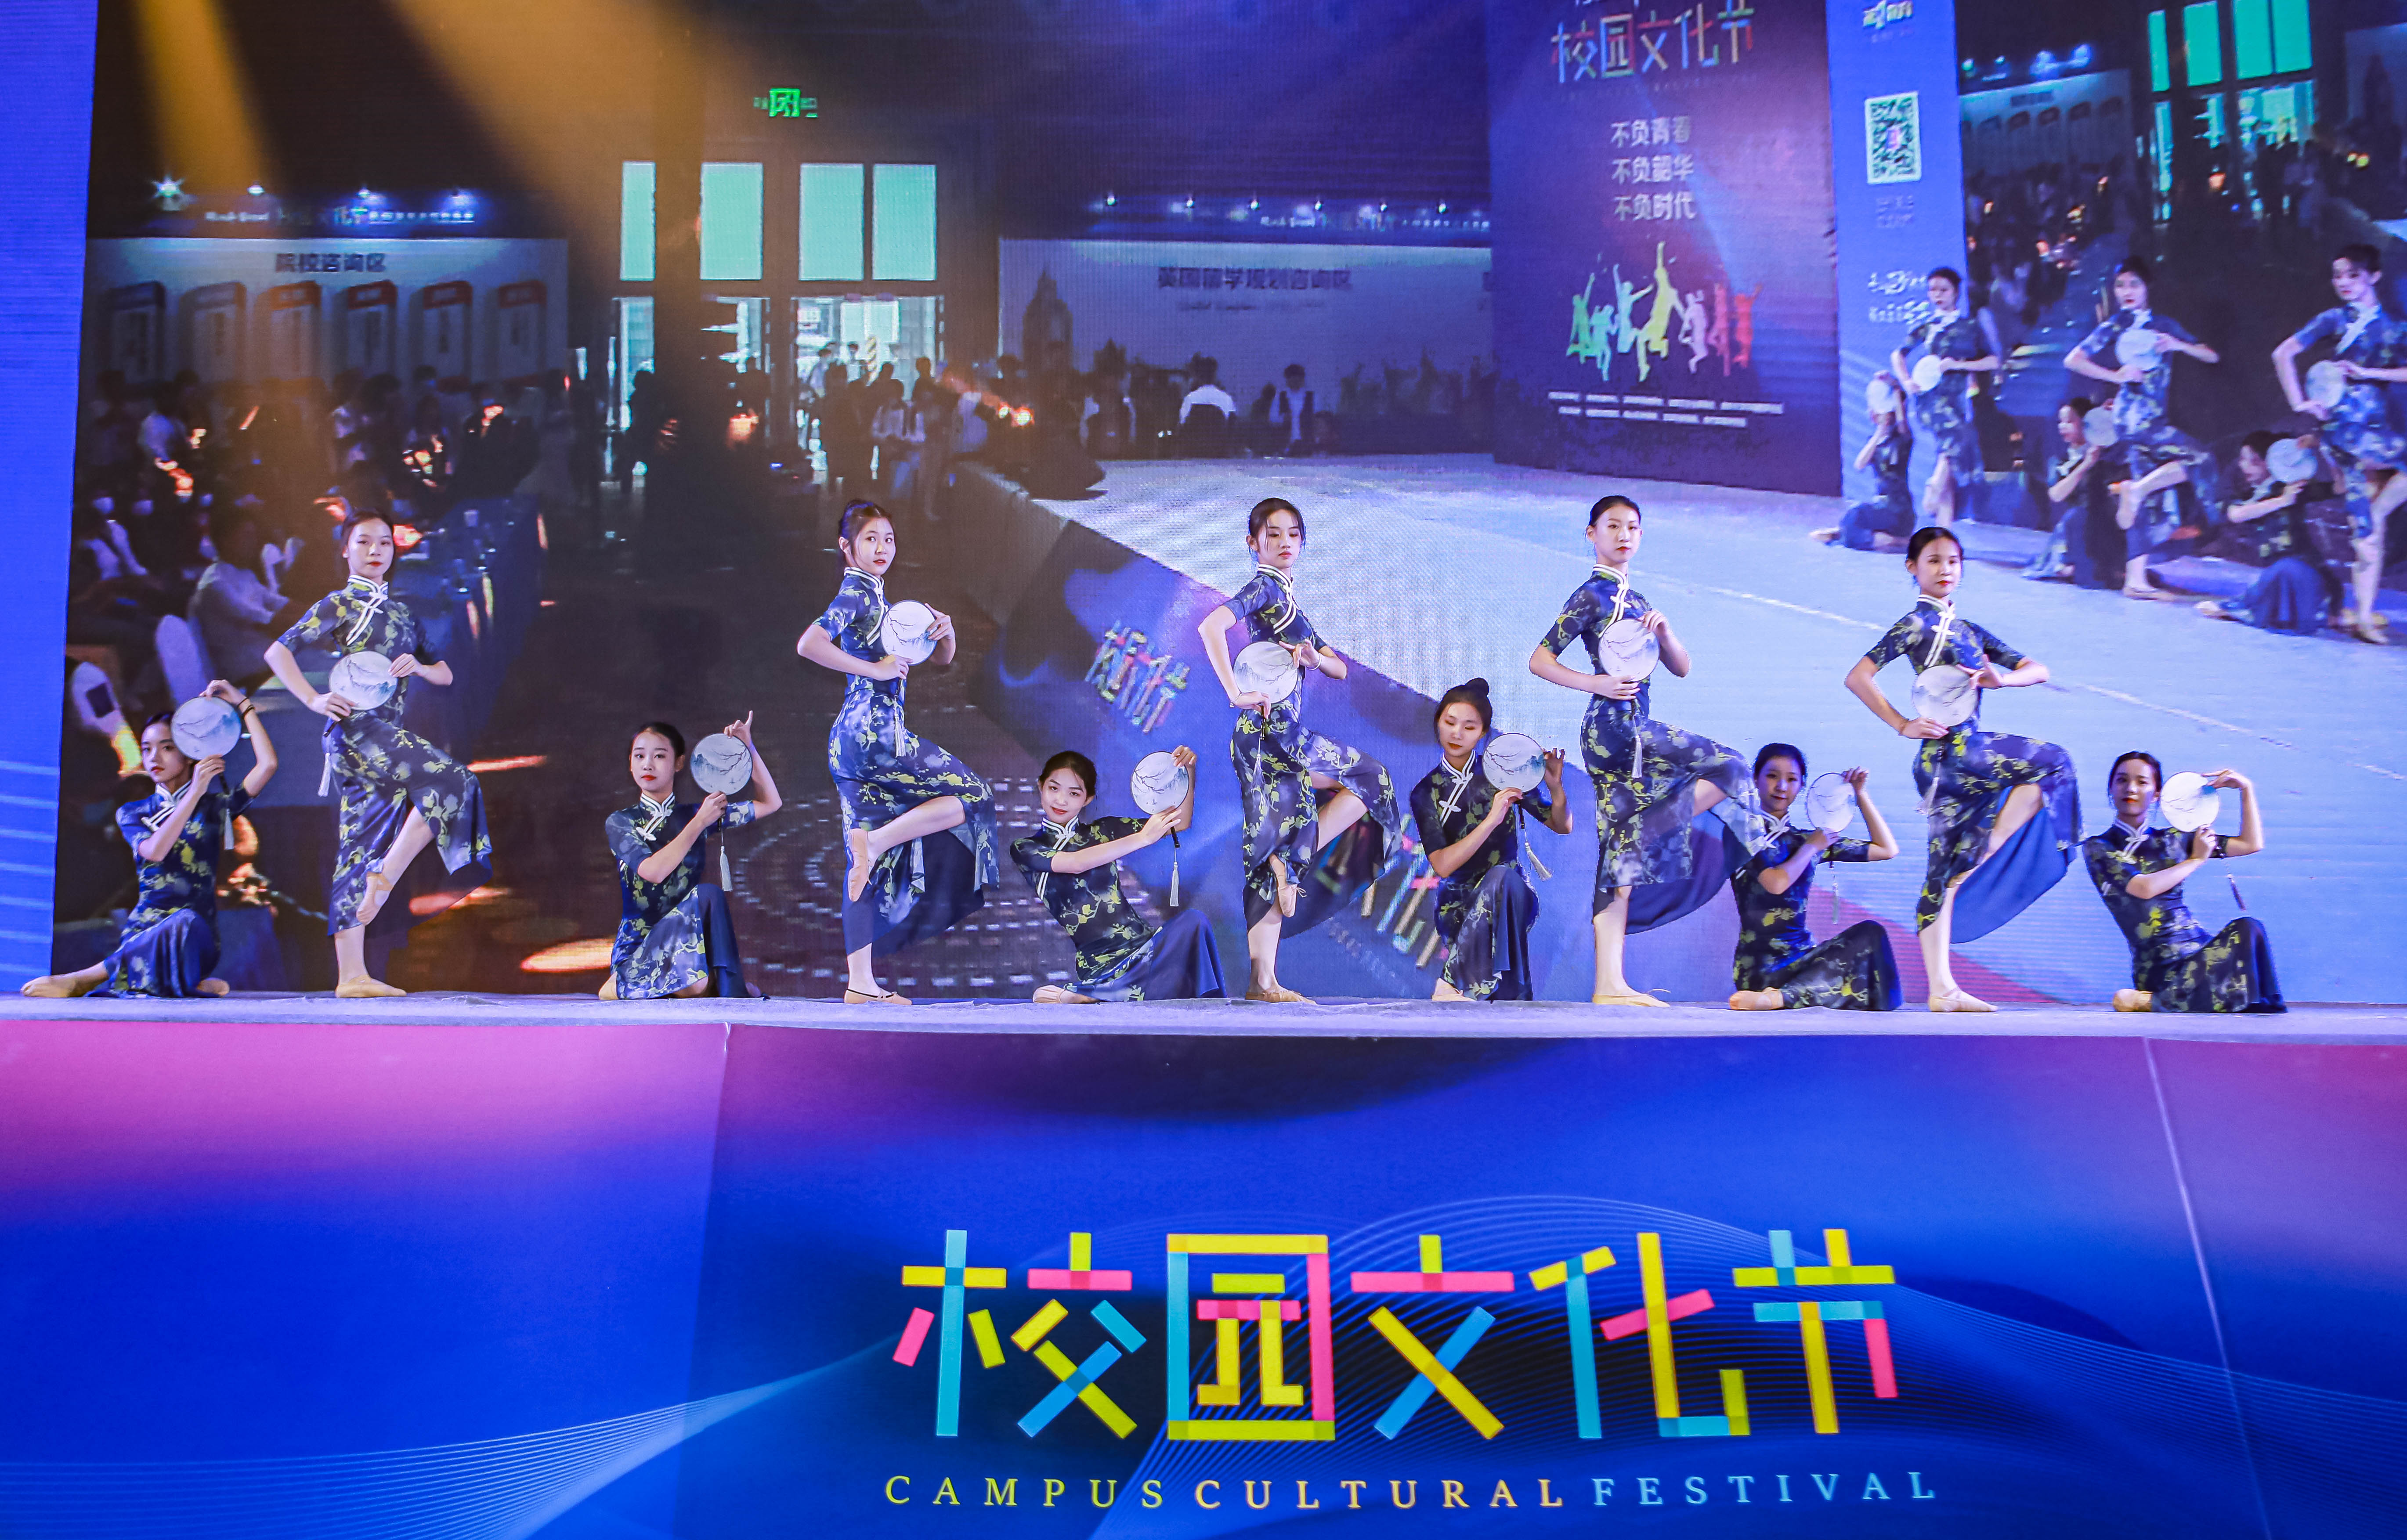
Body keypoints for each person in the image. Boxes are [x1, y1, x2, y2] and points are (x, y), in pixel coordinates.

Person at [1529, 495, 1769, 1006]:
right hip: (1614, 730)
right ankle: (1755, 844)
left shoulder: (1639, 602)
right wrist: (1594, 682)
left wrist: (1665, 633)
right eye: (1612, 526)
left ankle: (1608, 985)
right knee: (1730, 766)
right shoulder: (1590, 594)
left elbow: (1681, 667)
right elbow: (1540, 659)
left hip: (1632, 727)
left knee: (1618, 856)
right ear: (1591, 534)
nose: (1623, 535)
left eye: (1632, 528)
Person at [1843, 526, 2078, 1012]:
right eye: (1933, 560)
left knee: (1942, 879)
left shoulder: (1970, 630)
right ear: (1912, 568)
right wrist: (1901, 724)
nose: (1945, 569)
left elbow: (2039, 670)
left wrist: (2002, 679)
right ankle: (1990, 844)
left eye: (1952, 560)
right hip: (1955, 756)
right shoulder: (1915, 624)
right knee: (2054, 762)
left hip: (1948, 764)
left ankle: (1941, 990)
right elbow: (1858, 676)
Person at [261, 512, 492, 998]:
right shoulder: (339, 604)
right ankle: (385, 875)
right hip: (357, 732)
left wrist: (420, 669)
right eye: (364, 542)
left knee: (357, 848)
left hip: (386, 732)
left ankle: (351, 974)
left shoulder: (404, 613)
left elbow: (446, 673)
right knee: (454, 781)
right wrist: (313, 700)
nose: (375, 551)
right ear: (345, 550)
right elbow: (278, 652)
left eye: (384, 543)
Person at [1197, 497, 1404, 1003]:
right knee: (1365, 781)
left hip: (1278, 735)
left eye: (1293, 534)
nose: (1284, 542)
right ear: (1253, 543)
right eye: (1272, 534)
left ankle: (1264, 971)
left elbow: (1340, 669)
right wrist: (1233, 691)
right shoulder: (1265, 588)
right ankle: (1285, 880)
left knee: (1352, 791)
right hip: (1269, 735)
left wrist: (1313, 656)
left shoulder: (1292, 608)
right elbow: (1210, 627)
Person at [797, 500, 999, 1004]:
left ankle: (860, 984)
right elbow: (809, 644)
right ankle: (881, 840)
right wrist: (875, 669)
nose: (881, 547)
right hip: (877, 737)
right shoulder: (855, 595)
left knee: (861, 863)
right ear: (846, 547)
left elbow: (940, 661)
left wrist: (947, 636)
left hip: (848, 744)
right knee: (973, 796)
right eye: (870, 539)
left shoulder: (883, 602)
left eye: (888, 538)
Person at [21, 681, 277, 998]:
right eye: (146, 749)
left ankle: (86, 978)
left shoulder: (214, 808)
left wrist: (242, 704)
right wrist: (195, 792)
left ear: (191, 754)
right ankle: (187, 984)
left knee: (183, 920)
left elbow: (268, 765)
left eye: (167, 748)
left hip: (195, 933)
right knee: (158, 937)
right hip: (142, 933)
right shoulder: (133, 811)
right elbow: (155, 851)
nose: (154, 757)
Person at [1012, 746, 1225, 1003]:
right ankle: (1100, 991)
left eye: (1074, 793)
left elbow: (1179, 823)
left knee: (1195, 922)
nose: (1061, 800)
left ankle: (1098, 996)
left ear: (1088, 799)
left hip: (1144, 948)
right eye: (1054, 789)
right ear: (1041, 787)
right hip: (1101, 963)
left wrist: (1188, 771)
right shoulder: (1026, 848)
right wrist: (1142, 838)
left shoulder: (1105, 830)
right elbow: (1075, 863)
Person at [2064, 256, 2222, 601]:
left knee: (2145, 503)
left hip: (2153, 417)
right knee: (2200, 458)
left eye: (2134, 284)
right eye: (2120, 285)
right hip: (2136, 418)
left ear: (2148, 287)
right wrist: (2115, 375)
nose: (2127, 292)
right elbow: (2073, 359)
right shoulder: (2115, 325)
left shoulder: (2163, 325)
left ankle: (2135, 580)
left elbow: (2211, 355)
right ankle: (2138, 490)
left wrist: (2177, 345)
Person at [2273, 243, 2407, 643]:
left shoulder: (2394, 327)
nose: (2344, 283)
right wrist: (2300, 402)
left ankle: (2364, 611)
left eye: (2353, 275)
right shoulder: (2333, 319)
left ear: (2374, 276)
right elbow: (2283, 354)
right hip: (2345, 432)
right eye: (2338, 276)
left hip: (2379, 431)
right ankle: (2363, 616)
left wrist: (2370, 373)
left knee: (2370, 525)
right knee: (2366, 531)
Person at [1408, 679, 1570, 1002]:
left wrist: (1555, 787)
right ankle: (1506, 1003)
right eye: (1450, 723)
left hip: (1512, 893)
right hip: (1459, 907)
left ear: (1483, 733)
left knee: (1502, 877)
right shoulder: (1425, 792)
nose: (1457, 733)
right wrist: (1492, 820)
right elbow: (1442, 865)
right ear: (1438, 723)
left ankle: (1453, 982)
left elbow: (1561, 825)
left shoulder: (1503, 773)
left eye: (1469, 727)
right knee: (1509, 998)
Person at [601, 714, 782, 1001]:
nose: (648, 764)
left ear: (679, 763)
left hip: (688, 949)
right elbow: (653, 872)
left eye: (660, 756)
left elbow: (771, 803)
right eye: (640, 756)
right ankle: (628, 981)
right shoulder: (621, 822)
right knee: (699, 979)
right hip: (639, 948)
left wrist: (749, 748)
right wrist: (699, 823)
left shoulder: (697, 813)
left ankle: (710, 986)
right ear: (631, 764)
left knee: (708, 902)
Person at [2083, 754, 2281, 1013]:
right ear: (2111, 789)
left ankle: (2156, 1003)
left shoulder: (2175, 839)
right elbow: (2144, 888)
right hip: (2160, 968)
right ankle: (2161, 999)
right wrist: (2196, 859)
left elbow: (2250, 844)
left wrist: (2246, 790)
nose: (2131, 788)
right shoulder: (2099, 848)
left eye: (2142, 782)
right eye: (2122, 781)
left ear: (2157, 794)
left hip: (2201, 952)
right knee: (2236, 979)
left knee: (2250, 928)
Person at [1725, 745, 1901, 1012]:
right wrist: (1811, 849)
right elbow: (1776, 883)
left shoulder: (1806, 839)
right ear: (1755, 779)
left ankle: (1782, 998)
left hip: (1805, 962)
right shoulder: (1742, 832)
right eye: (1772, 776)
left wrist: (1860, 794)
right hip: (1759, 968)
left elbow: (1886, 849)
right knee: (1854, 987)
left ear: (1802, 786)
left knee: (1872, 935)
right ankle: (1780, 997)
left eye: (1792, 779)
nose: (1782, 786)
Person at [2196, 432, 2337, 635]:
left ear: (2272, 462)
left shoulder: (2295, 489)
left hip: (2304, 571)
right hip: (2275, 573)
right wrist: (2283, 501)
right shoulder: (2254, 496)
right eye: (2243, 460)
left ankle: (2321, 610)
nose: (2245, 467)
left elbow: (2340, 486)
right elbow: (2236, 515)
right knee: (2277, 573)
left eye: (2254, 461)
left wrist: (2324, 446)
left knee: (2286, 569)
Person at [1890, 267, 1999, 526]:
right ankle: (1934, 484)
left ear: (1956, 292)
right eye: (1933, 290)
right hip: (1930, 399)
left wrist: (1959, 365)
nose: (1938, 295)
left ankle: (1943, 529)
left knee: (1949, 451)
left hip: (1956, 401)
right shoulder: (1928, 328)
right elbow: (1899, 354)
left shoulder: (1971, 327)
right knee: (1962, 436)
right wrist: (1906, 381)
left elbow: (1993, 361)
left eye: (1944, 290)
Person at [2022, 397, 2118, 587]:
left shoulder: (2106, 454)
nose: (2063, 427)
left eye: (2070, 421)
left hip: (2106, 523)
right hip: (2078, 525)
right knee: (2076, 517)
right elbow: (2056, 495)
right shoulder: (2061, 460)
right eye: (2061, 422)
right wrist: (2085, 465)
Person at [1815, 378, 1914, 550]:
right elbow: (1859, 465)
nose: (1870, 413)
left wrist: (1895, 388)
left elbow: (1902, 421)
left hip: (1899, 510)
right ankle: (1848, 534)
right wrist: (1879, 433)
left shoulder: (1901, 440)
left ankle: (1894, 541)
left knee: (1856, 514)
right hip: (1882, 508)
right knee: (1855, 515)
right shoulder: (1875, 442)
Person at [1272, 365, 1314, 454]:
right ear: (1287, 380)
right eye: (1292, 378)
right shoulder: (1279, 397)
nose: (1295, 381)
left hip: (1308, 443)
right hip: (1286, 444)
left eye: (1298, 378)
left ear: (1302, 379)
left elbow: (1319, 420)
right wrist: (1283, 419)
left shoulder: (1313, 397)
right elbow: (1272, 419)